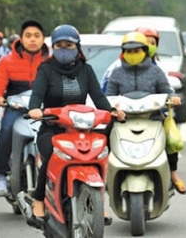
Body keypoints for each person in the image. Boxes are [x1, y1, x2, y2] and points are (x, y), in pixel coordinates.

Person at [27, 24, 126, 225]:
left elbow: (98, 96)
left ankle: (101, 200)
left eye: (69, 45)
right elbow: (37, 94)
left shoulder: (86, 70)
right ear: (53, 47)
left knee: (100, 153)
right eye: (60, 45)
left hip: (81, 129)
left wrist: (111, 112)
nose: (64, 49)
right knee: (48, 157)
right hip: (53, 128)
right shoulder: (46, 69)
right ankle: (39, 200)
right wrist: (35, 108)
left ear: (78, 47)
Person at [105, 31, 186, 194]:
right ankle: (107, 174)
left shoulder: (156, 72)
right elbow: (109, 95)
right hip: (123, 119)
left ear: (145, 51)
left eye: (137, 51)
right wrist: (113, 110)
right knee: (103, 137)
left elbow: (166, 90)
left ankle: (173, 173)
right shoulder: (116, 72)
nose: (133, 54)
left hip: (153, 117)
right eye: (129, 51)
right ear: (123, 53)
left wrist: (173, 98)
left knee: (170, 140)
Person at [0, 20, 49, 196]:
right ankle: (0, 175)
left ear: (43, 39)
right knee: (5, 130)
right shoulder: (7, 61)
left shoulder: (51, 62)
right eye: (28, 36)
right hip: (15, 107)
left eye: (37, 36)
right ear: (20, 39)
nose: (32, 40)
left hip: (43, 110)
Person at [101, 26, 161, 93]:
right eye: (146, 42)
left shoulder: (160, 68)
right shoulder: (115, 68)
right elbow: (106, 95)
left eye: (153, 43)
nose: (149, 46)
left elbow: (167, 95)